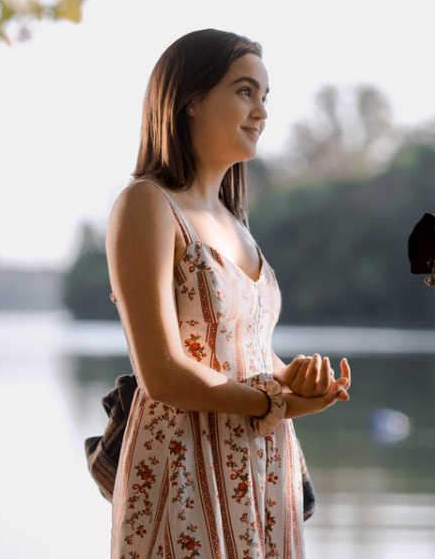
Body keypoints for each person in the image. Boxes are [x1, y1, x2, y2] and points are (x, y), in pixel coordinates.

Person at [105, 29, 353, 559]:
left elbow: (241, 353)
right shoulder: (147, 205)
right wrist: (272, 403)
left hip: (262, 469)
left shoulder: (236, 223)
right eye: (245, 91)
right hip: (185, 470)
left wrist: (295, 380)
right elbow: (163, 372)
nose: (261, 111)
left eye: (265, 97)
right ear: (189, 101)